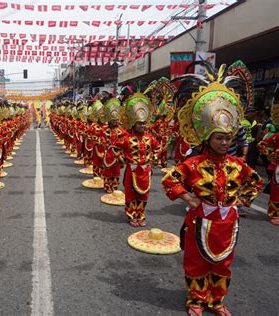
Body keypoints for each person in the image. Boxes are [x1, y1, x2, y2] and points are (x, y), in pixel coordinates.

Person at [162, 62, 263, 316]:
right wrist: (187, 197)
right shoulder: (193, 164)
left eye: (228, 137)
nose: (224, 142)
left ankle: (217, 301)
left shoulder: (237, 165)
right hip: (200, 220)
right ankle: (196, 300)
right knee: (196, 263)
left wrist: (241, 200)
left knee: (223, 265)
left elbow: (256, 182)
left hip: (227, 223)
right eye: (219, 137)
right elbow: (169, 180)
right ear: (208, 138)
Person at [115, 89, 160, 227]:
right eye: (140, 124)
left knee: (143, 195)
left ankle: (140, 214)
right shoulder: (127, 138)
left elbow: (157, 148)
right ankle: (131, 215)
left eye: (144, 123)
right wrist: (123, 160)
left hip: (145, 170)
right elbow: (115, 148)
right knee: (130, 194)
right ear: (133, 124)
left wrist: (153, 158)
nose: (142, 126)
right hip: (132, 170)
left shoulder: (150, 138)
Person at [257, 103, 279, 224]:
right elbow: (261, 144)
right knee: (276, 191)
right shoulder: (276, 136)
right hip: (278, 168)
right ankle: (274, 213)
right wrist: (271, 155)